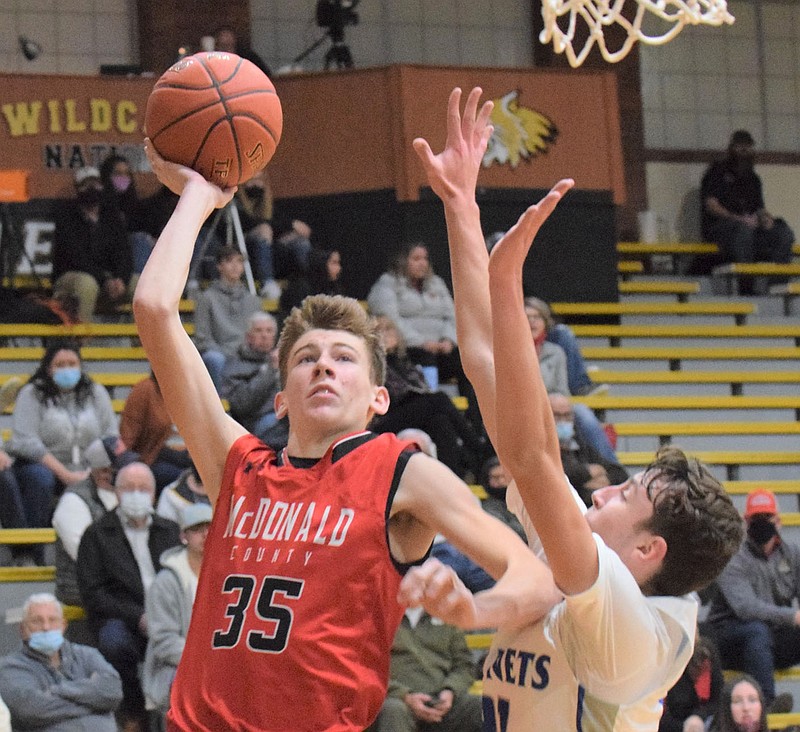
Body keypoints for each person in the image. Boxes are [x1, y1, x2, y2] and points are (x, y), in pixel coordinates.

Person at [133, 139, 557, 731]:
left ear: (379, 398)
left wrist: (473, 608)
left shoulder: (400, 471)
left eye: (344, 358)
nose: (324, 366)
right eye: (306, 357)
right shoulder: (237, 463)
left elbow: (536, 580)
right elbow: (154, 306)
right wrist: (200, 198)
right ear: (281, 400)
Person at [401, 86, 744, 730]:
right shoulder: (579, 557)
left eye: (629, 495)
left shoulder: (633, 629)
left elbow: (532, 459)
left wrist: (509, 288)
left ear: (649, 552)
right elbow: (482, 361)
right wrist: (461, 206)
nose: (609, 488)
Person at [76, 462, 181, 732]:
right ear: (117, 493)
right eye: (129, 488)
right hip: (124, 618)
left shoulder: (170, 530)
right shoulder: (97, 534)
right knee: (114, 641)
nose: (137, 494)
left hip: (169, 614)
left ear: (154, 494)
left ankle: (182, 709)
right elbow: (94, 592)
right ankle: (132, 710)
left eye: (143, 488)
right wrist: (138, 617)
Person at [7, 341, 118, 540]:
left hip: (88, 468)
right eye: (60, 365)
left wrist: (94, 470)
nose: (67, 369)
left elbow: (109, 436)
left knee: (126, 472)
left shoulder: (96, 392)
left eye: (72, 363)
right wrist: (65, 474)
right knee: (39, 479)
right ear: (48, 369)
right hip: (44, 466)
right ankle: (30, 548)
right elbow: (26, 441)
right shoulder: (32, 393)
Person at [367, 240, 480, 430]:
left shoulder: (436, 283)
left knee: (468, 363)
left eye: (425, 259)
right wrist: (422, 342)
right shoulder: (387, 284)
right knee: (425, 356)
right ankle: (433, 407)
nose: (422, 263)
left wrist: (447, 339)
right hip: (409, 351)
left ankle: (478, 426)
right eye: (416, 258)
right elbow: (389, 320)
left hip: (441, 348)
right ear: (403, 260)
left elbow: (453, 315)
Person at [705, 488, 800, 713]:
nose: (761, 523)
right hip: (730, 638)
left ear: (778, 520)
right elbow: (745, 607)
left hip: (772, 640)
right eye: (755, 518)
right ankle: (766, 706)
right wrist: (793, 616)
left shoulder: (792, 554)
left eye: (766, 517)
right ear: (746, 522)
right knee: (756, 630)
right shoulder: (733, 557)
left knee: (762, 633)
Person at [371, 315, 484, 479]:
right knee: (439, 399)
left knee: (440, 422)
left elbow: (421, 388)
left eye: (388, 329)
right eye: (378, 331)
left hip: (412, 412)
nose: (385, 335)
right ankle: (477, 448)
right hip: (384, 419)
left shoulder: (406, 360)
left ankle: (451, 479)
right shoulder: (371, 365)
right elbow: (394, 396)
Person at [0, 592, 122, 732]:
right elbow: (33, 710)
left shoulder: (87, 655)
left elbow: (113, 692)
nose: (46, 627)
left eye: (52, 620)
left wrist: (58, 691)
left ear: (63, 625)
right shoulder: (10, 667)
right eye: (37, 621)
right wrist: (95, 704)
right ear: (22, 629)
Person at [142, 502, 212, 719]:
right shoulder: (166, 582)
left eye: (210, 528)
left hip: (218, 665)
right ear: (184, 536)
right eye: (197, 529)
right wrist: (206, 660)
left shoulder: (228, 575)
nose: (205, 535)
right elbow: (164, 641)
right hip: (175, 669)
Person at [700, 130, 794, 288]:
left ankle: (778, 286)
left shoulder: (753, 179)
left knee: (783, 233)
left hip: (750, 227)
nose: (744, 151)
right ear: (732, 148)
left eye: (748, 147)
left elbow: (759, 208)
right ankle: (747, 288)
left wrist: (766, 220)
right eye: (740, 147)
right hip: (722, 229)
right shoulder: (717, 171)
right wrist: (737, 219)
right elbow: (711, 205)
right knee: (743, 232)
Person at [51, 436, 137, 607]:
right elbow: (87, 556)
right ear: (103, 473)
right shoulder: (73, 502)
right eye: (122, 469)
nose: (130, 473)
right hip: (82, 587)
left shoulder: (126, 495)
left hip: (119, 585)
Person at [369, 607, 482, 732]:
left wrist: (450, 690)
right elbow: (368, 669)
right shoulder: (378, 616)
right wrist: (404, 695)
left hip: (442, 701)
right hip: (396, 700)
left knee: (483, 706)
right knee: (393, 710)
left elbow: (464, 665)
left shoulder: (446, 616)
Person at [51, 166, 133, 322]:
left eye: (95, 184)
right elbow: (76, 258)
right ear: (78, 189)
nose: (92, 189)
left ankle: (145, 343)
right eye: (86, 185)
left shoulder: (111, 217)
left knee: (142, 285)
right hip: (71, 277)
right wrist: (104, 280)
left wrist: (121, 278)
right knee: (87, 285)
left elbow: (124, 252)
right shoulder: (66, 217)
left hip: (108, 279)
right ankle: (80, 342)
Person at [192, 244, 263, 390]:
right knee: (214, 359)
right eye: (229, 261)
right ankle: (220, 404)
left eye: (239, 261)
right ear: (219, 266)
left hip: (246, 354)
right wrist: (228, 353)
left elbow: (257, 336)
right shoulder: (206, 298)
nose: (235, 266)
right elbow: (202, 338)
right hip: (219, 354)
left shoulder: (253, 301)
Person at [550, 391, 628, 506]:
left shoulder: (580, 444)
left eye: (567, 415)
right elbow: (555, 478)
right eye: (557, 416)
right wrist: (587, 473)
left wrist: (606, 479)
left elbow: (620, 474)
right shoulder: (539, 448)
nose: (563, 421)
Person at [119, 371, 192, 491]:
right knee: (180, 476)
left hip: (181, 454)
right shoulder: (144, 390)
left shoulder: (184, 390)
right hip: (150, 457)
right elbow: (128, 434)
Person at [220, 311, 281, 437]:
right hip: (256, 421)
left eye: (269, 331)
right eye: (258, 330)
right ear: (248, 336)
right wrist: (270, 370)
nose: (264, 335)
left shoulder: (284, 360)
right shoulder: (235, 365)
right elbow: (242, 405)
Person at [98, 153, 155, 281]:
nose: (123, 178)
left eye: (126, 173)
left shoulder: (134, 204)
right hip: (109, 255)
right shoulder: (99, 204)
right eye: (118, 173)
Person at [659, 632, 724, 732]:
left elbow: (718, 698)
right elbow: (655, 709)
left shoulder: (706, 654)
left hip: (703, 722)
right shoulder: (658, 657)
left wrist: (698, 717)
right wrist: (683, 728)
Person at [280, 247, 343, 319]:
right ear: (321, 263)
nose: (339, 268)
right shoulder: (300, 288)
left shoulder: (333, 289)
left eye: (338, 263)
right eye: (334, 263)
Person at [477, 456, 526, 543]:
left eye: (504, 477)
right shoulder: (489, 508)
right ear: (487, 480)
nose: (501, 481)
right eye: (496, 478)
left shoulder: (524, 504)